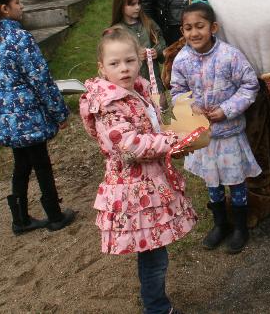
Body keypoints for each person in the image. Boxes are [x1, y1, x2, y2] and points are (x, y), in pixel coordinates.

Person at [79, 26, 196, 314]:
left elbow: (149, 128)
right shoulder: (109, 105)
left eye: (129, 61)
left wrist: (172, 136)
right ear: (102, 67)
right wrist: (172, 141)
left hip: (148, 183)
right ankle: (156, 309)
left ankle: (156, 305)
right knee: (154, 257)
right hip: (134, 190)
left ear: (140, 60)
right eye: (115, 63)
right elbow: (129, 145)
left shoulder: (135, 92)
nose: (124, 68)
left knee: (155, 252)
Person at [0, 0, 75, 235]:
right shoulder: (20, 38)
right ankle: (54, 215)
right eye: (17, 2)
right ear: (4, 8)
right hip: (28, 116)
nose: (22, 7)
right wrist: (59, 113)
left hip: (6, 119)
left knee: (21, 164)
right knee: (41, 163)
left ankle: (20, 219)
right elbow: (41, 79)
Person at [170, 0, 261, 253]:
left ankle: (240, 226)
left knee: (236, 181)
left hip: (230, 135)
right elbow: (177, 91)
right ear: (182, 31)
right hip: (205, 138)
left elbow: (250, 85)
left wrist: (227, 110)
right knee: (213, 183)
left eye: (200, 26)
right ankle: (220, 224)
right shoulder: (182, 60)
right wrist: (192, 107)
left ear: (213, 27)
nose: (194, 33)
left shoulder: (230, 56)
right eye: (188, 28)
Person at [111, 0, 167, 99]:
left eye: (139, 3)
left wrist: (157, 51)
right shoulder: (116, 31)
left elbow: (162, 43)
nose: (137, 7)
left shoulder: (149, 24)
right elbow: (112, 58)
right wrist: (133, 56)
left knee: (160, 106)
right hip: (130, 84)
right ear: (121, 6)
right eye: (132, 4)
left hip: (154, 82)